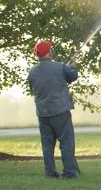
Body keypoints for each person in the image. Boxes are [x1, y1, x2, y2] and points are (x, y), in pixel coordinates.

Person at [27, 40, 81, 179]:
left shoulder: (32, 72)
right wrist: (73, 64)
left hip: (42, 113)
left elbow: (34, 88)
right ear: (49, 52)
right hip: (60, 111)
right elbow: (73, 76)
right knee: (66, 142)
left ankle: (50, 173)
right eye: (51, 48)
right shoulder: (60, 67)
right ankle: (69, 173)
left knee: (47, 144)